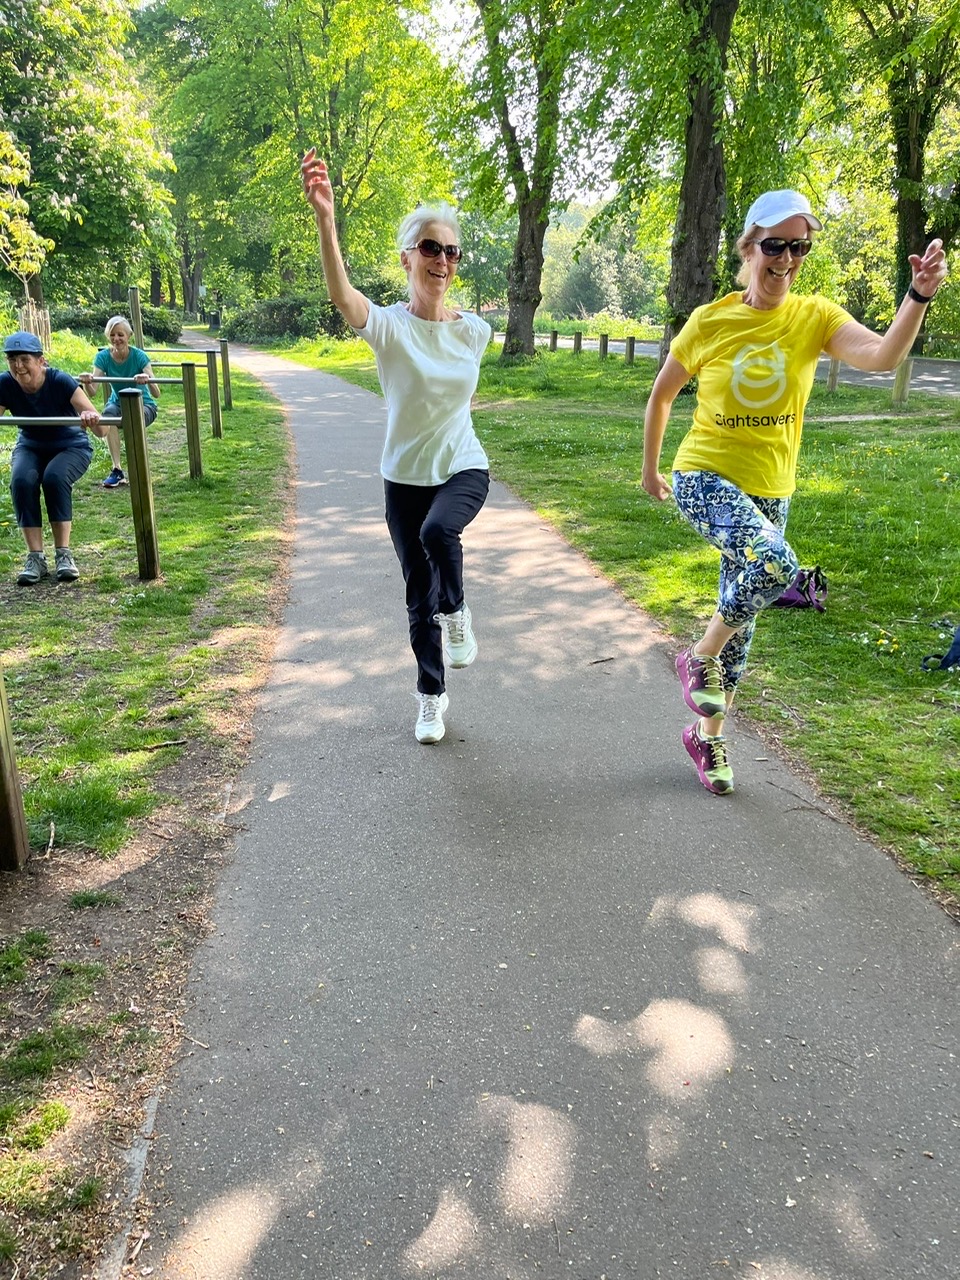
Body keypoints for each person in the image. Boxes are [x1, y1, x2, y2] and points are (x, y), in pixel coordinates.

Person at [642, 189, 947, 796]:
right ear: (750, 247)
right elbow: (662, 395)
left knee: (743, 628)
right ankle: (694, 656)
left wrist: (919, 297)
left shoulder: (816, 317)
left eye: (799, 247)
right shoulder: (711, 320)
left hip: (772, 491)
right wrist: (653, 471)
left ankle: (708, 737)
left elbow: (884, 357)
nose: (786, 259)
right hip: (704, 475)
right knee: (776, 567)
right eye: (775, 246)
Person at [301, 147, 492, 744]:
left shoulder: (476, 331)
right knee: (416, 595)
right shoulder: (388, 326)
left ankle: (457, 611)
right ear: (408, 256)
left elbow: (456, 405)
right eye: (430, 248)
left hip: (462, 467)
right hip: (403, 477)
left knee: (441, 535)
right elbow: (343, 298)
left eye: (451, 250)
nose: (442, 259)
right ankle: (431, 697)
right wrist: (326, 221)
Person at [1, 330, 105, 584]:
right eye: (12, 359)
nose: (18, 366)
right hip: (31, 445)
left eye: (24, 359)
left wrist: (89, 418)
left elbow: (102, 430)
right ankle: (35, 557)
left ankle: (63, 554)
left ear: (41, 360)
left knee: (54, 477)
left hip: (70, 446)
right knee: (21, 480)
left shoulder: (60, 381)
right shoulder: (5, 383)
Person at [79, 315, 160, 487]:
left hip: (143, 403)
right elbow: (93, 392)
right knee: (108, 418)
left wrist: (147, 379)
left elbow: (157, 392)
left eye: (120, 335)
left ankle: (139, 468)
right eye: (113, 335)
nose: (116, 339)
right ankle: (117, 470)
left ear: (129, 336)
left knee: (134, 421)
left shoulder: (139, 356)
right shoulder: (103, 357)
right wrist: (87, 382)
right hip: (117, 403)